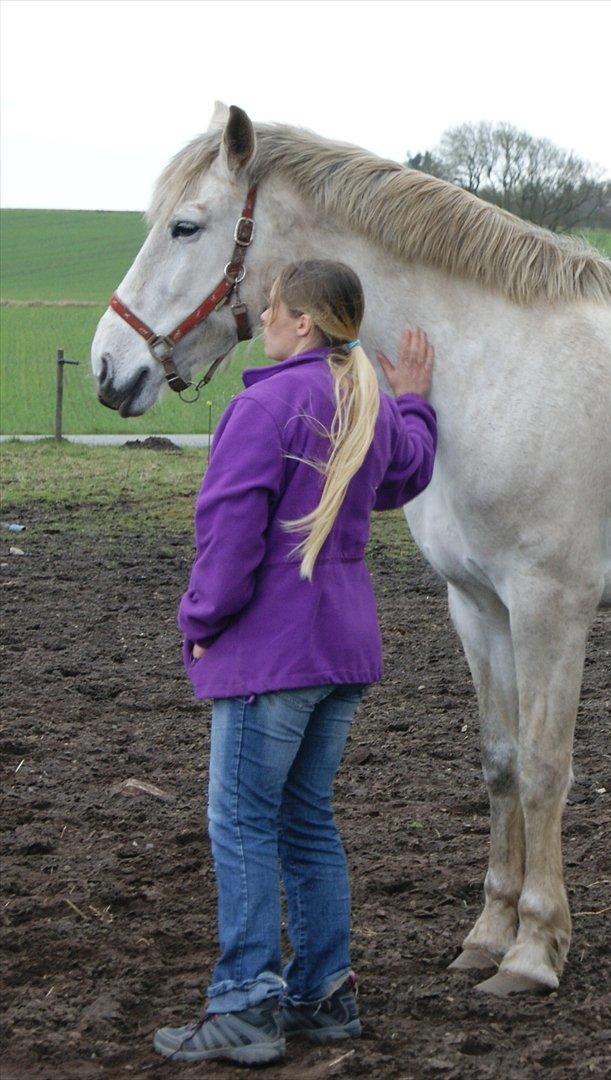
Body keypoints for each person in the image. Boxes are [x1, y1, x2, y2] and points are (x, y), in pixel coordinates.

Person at [153, 260, 437, 1065]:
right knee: (305, 819)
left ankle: (245, 998)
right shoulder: (368, 405)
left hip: (272, 654)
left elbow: (230, 532)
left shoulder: (265, 404)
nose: (264, 318)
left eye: (271, 307)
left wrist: (202, 620)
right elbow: (407, 472)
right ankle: (323, 993)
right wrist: (412, 396)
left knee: (241, 820)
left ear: (303, 323)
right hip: (342, 652)